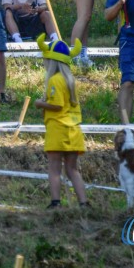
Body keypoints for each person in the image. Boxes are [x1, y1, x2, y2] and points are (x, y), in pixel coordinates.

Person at [33, 34, 89, 209]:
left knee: (54, 169)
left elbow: (56, 105)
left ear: (52, 61)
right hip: (74, 130)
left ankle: (55, 202)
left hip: (58, 129)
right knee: (73, 170)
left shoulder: (55, 80)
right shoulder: (70, 80)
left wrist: (39, 103)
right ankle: (83, 202)